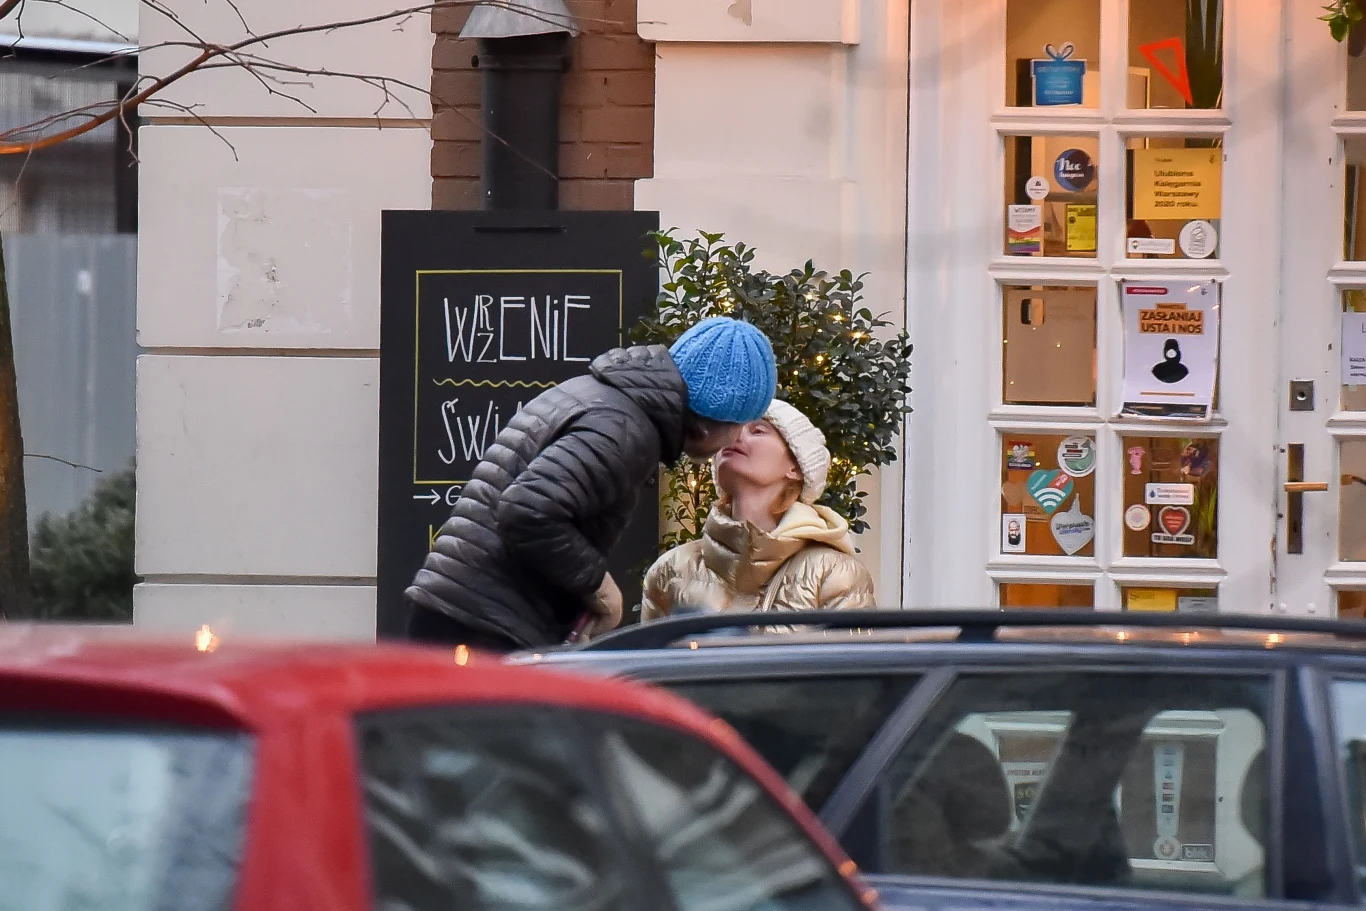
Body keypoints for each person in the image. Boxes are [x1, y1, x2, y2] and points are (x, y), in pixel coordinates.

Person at [405, 317, 778, 653]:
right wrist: (599, 588)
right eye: (741, 424)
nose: (737, 439)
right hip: (482, 626)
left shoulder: (603, 397)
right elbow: (528, 510)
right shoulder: (624, 428)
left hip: (465, 614)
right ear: (711, 421)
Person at [642, 400, 874, 620]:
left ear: (796, 466)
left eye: (758, 431)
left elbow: (848, 661)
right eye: (731, 428)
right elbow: (649, 661)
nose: (735, 436)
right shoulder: (670, 570)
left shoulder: (834, 572)